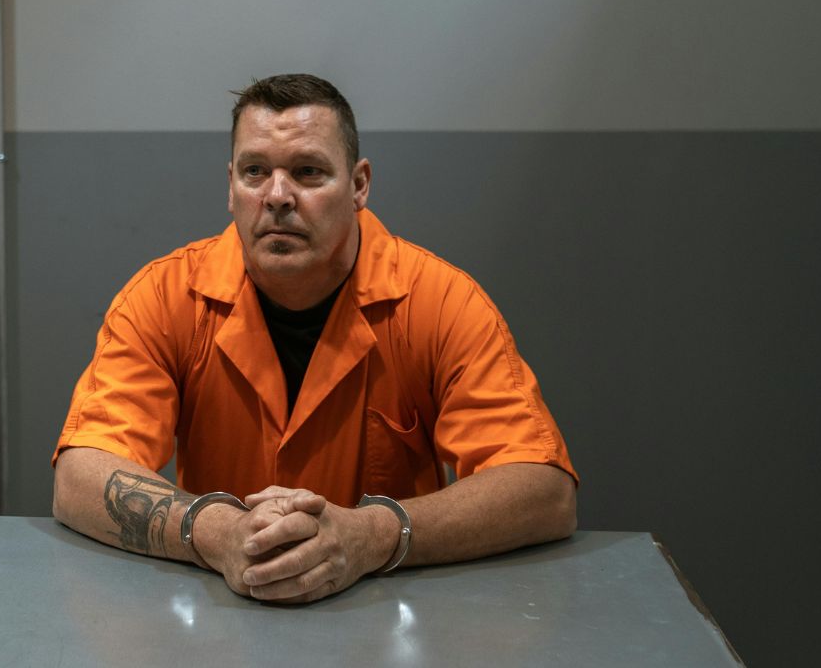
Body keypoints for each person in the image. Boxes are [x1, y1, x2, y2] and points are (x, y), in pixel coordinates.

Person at [52, 73, 577, 604]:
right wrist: (216, 533)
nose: (278, 196)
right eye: (255, 172)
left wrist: (372, 535)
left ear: (359, 186)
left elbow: (543, 490)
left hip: (395, 617)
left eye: (308, 172)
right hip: (224, 612)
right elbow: (79, 476)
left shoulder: (442, 302)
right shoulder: (164, 298)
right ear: (230, 186)